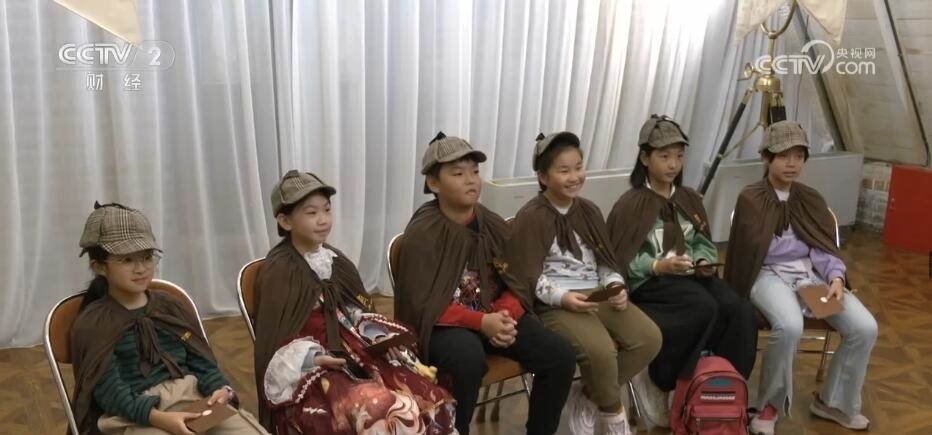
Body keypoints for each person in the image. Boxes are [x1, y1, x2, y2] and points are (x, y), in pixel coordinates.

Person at [394, 132, 576, 435]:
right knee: (466, 360)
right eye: (458, 173)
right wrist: (481, 322)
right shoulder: (423, 233)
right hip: (445, 323)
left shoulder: (490, 222)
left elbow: (516, 277)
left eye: (475, 171)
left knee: (560, 355)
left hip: (494, 314)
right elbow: (422, 303)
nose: (471, 180)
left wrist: (504, 314)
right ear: (434, 183)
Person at [252, 170, 456, 435]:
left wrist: (378, 337)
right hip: (316, 370)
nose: (323, 219)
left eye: (327, 210)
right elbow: (276, 340)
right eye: (312, 213)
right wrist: (315, 358)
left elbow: (356, 310)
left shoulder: (336, 260)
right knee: (384, 410)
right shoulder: (280, 271)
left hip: (355, 352)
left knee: (426, 396)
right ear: (285, 220)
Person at [724, 120, 877, 434]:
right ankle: (768, 407)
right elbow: (754, 252)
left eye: (798, 156)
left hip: (809, 278)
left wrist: (835, 277)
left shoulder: (810, 199)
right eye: (783, 155)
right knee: (790, 326)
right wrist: (794, 247)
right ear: (766, 157)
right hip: (766, 276)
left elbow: (822, 246)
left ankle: (833, 403)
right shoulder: (751, 198)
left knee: (864, 327)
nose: (791, 163)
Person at [605, 115, 757, 428]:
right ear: (645, 158)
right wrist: (658, 265)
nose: (673, 164)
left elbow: (702, 240)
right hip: (650, 282)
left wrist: (702, 260)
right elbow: (621, 259)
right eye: (664, 156)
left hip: (690, 277)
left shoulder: (688, 198)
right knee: (702, 307)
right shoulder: (630, 204)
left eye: (679, 155)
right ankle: (661, 379)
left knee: (739, 309)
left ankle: (719, 386)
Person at [506, 131, 662, 435]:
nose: (574, 176)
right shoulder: (532, 217)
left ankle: (590, 395)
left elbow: (605, 259)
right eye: (564, 170)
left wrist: (615, 284)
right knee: (601, 352)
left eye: (578, 167)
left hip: (596, 291)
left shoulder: (589, 210)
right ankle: (613, 415)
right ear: (543, 177)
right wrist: (563, 298)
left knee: (649, 338)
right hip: (556, 302)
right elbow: (527, 276)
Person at [69, 202, 267, 434]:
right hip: (134, 414)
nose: (141, 268)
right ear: (99, 267)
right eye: (127, 260)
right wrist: (160, 419)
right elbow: (110, 391)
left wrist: (219, 388)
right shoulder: (94, 323)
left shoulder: (169, 306)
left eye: (146, 257)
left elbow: (200, 360)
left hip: (193, 396)